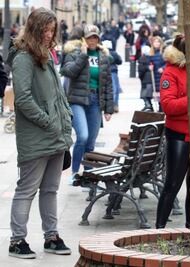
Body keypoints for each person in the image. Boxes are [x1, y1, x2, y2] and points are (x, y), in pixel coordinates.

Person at [6, 7, 72, 259]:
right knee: (27, 189)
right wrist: (46, 121)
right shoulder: (23, 58)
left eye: (52, 30)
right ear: (34, 29)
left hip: (56, 134)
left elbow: (57, 94)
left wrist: (65, 117)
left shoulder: (47, 54)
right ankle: (17, 240)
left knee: (50, 190)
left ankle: (51, 236)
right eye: (45, 29)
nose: (49, 34)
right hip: (37, 136)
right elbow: (21, 98)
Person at [60, 24, 113, 179]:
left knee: (91, 141)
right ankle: (75, 172)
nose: (92, 40)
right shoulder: (74, 54)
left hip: (95, 101)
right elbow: (67, 72)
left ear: (98, 39)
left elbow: (108, 84)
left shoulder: (103, 57)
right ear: (84, 38)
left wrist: (109, 108)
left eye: (95, 37)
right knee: (82, 136)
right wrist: (83, 56)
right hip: (77, 100)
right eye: (89, 37)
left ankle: (88, 174)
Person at [156, 34, 190, 229]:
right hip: (178, 134)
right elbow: (168, 105)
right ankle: (159, 227)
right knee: (172, 185)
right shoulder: (171, 71)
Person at [102, 40, 122, 113]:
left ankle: (108, 106)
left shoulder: (101, 53)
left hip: (104, 72)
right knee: (115, 89)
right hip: (113, 71)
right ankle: (115, 105)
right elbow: (120, 61)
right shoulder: (114, 53)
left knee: (105, 89)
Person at [148, 36, 166, 112]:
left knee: (163, 95)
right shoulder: (151, 53)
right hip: (154, 76)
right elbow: (148, 63)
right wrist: (149, 66)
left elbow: (168, 63)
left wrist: (163, 68)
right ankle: (159, 111)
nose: (157, 43)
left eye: (158, 42)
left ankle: (162, 110)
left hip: (162, 76)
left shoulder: (163, 53)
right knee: (157, 96)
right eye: (155, 42)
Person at [138, 46, 154, 111]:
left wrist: (140, 76)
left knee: (145, 94)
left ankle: (148, 105)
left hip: (145, 79)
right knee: (148, 94)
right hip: (149, 79)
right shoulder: (150, 58)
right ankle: (149, 105)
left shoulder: (142, 58)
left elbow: (141, 69)